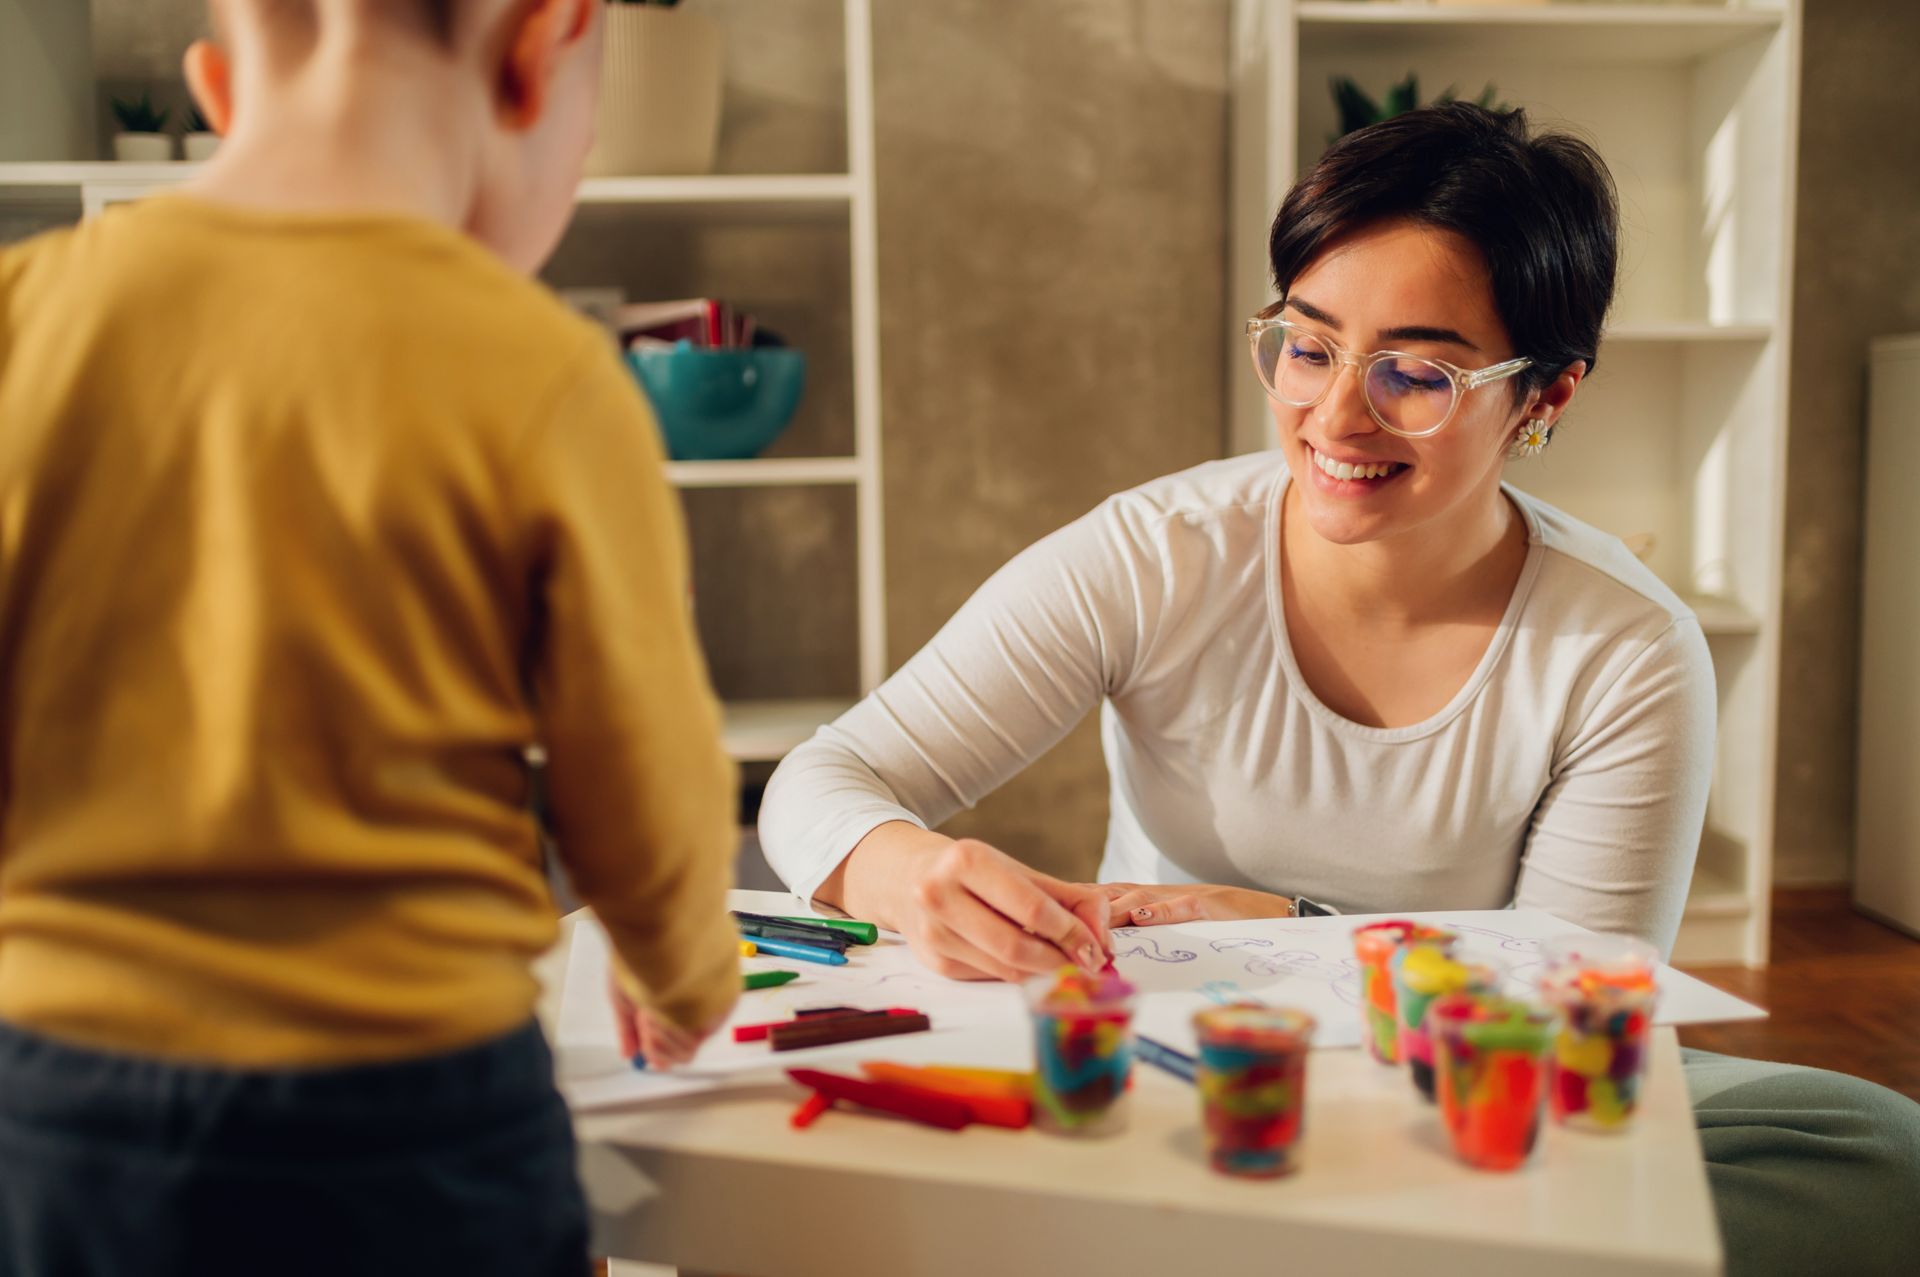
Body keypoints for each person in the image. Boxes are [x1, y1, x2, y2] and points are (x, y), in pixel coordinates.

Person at [760, 103, 1920, 1276]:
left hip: (1454, 1080)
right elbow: (822, 779)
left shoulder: (1625, 650)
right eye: (1309, 346)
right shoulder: (1158, 553)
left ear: (1547, 396)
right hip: (1178, 1050)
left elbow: (1565, 1025)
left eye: (1416, 372)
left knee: (1874, 1149)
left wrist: (1294, 933)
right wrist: (908, 869)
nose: (1335, 414)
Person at [0, 2, 738, 1273]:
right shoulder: (547, 378)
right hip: (407, 1117)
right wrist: (685, 977)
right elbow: (645, 806)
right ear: (539, 47)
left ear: (219, 90)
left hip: (58, 1110)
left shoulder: (25, 316)